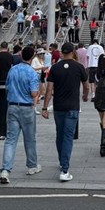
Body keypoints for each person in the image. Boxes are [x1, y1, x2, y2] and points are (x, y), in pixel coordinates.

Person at [41, 42, 89, 181]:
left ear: (62, 52)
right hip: (72, 106)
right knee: (68, 137)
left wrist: (45, 107)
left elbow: (49, 89)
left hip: (59, 107)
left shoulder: (55, 68)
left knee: (60, 135)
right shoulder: (79, 67)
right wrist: (85, 95)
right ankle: (65, 168)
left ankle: (62, 161)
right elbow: (86, 86)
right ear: (73, 52)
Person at [0, 46, 42, 184]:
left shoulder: (13, 69)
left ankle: (6, 170)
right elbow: (34, 93)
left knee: (11, 139)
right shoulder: (32, 73)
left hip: (12, 105)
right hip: (26, 107)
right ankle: (32, 165)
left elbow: (7, 87)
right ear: (33, 56)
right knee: (29, 139)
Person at [0, 42, 13, 139]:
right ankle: (5, 130)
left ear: (0, 47)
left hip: (0, 81)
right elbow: (12, 68)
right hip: (8, 82)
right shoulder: (10, 56)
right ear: (7, 47)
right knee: (6, 106)